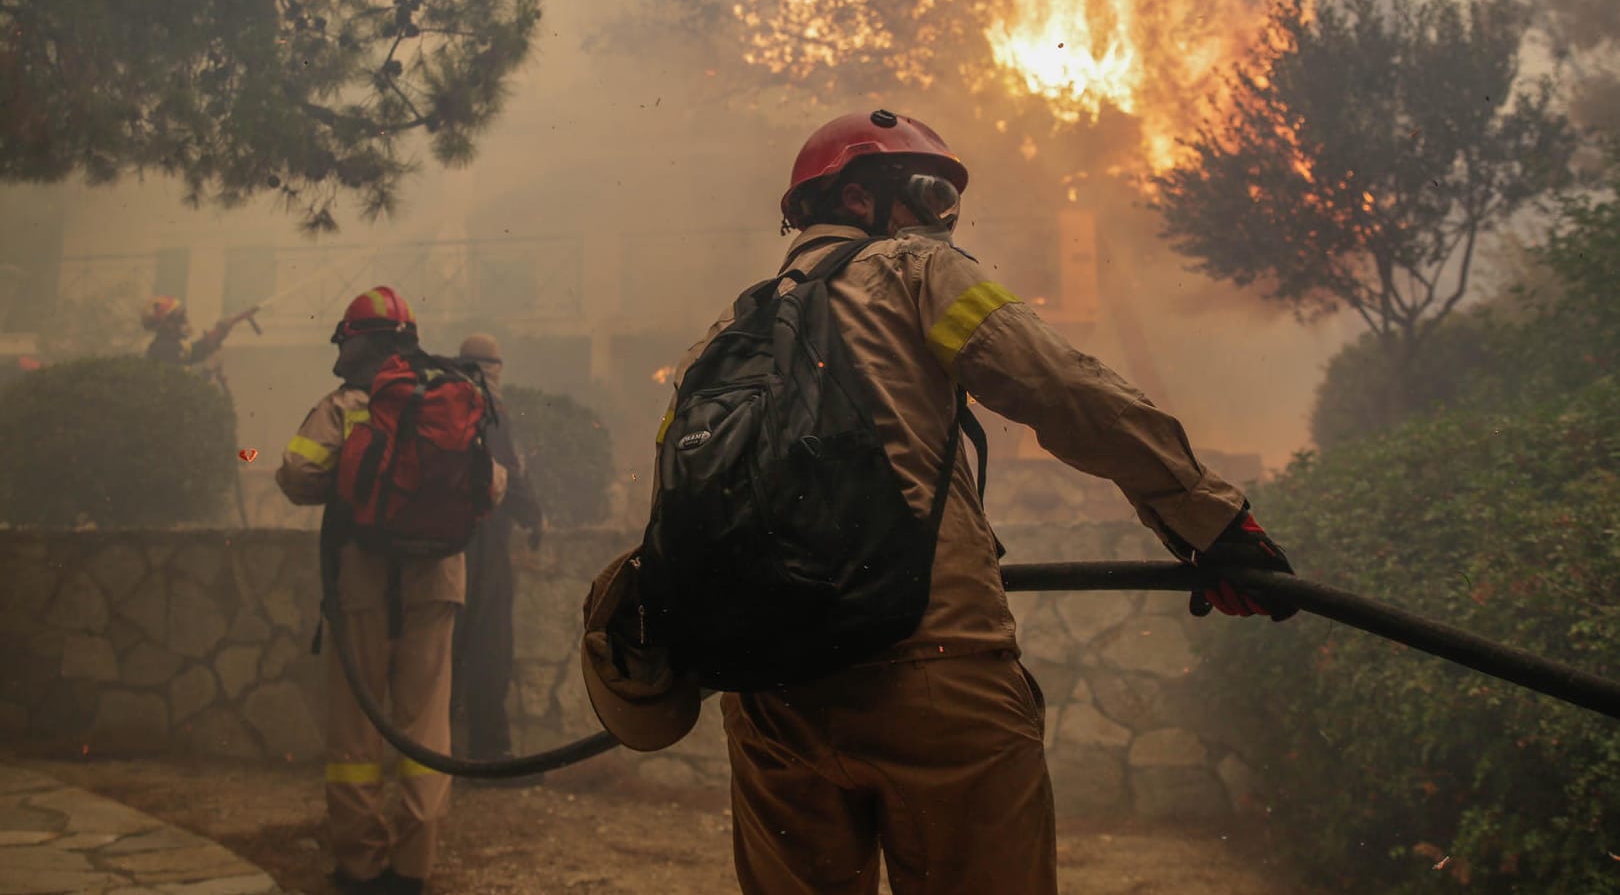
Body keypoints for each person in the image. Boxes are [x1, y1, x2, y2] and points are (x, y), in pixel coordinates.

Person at [593, 109, 1299, 895]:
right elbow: (1061, 389)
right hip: (933, 675)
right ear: (858, 200)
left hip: (770, 699)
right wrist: (1213, 520)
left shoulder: (718, 338)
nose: (940, 221)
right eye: (930, 197)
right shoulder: (915, 272)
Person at [276, 286, 504, 895]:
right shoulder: (453, 391)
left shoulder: (348, 402)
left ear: (357, 341)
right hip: (437, 581)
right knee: (425, 726)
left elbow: (298, 476)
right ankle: (413, 867)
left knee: (357, 731)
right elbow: (494, 484)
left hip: (362, 582)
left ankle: (360, 866)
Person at [451, 332, 543, 762]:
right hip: (485, 542)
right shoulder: (490, 411)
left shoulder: (441, 405)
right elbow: (511, 476)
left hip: (442, 542)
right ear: (493, 368)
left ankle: (438, 752)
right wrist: (533, 517)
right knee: (490, 647)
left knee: (445, 650)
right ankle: (491, 751)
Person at [140, 295, 255, 366]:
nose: (185, 322)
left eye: (183, 316)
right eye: (180, 318)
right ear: (166, 324)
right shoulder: (161, 348)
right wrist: (221, 329)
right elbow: (196, 351)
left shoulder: (175, 345)